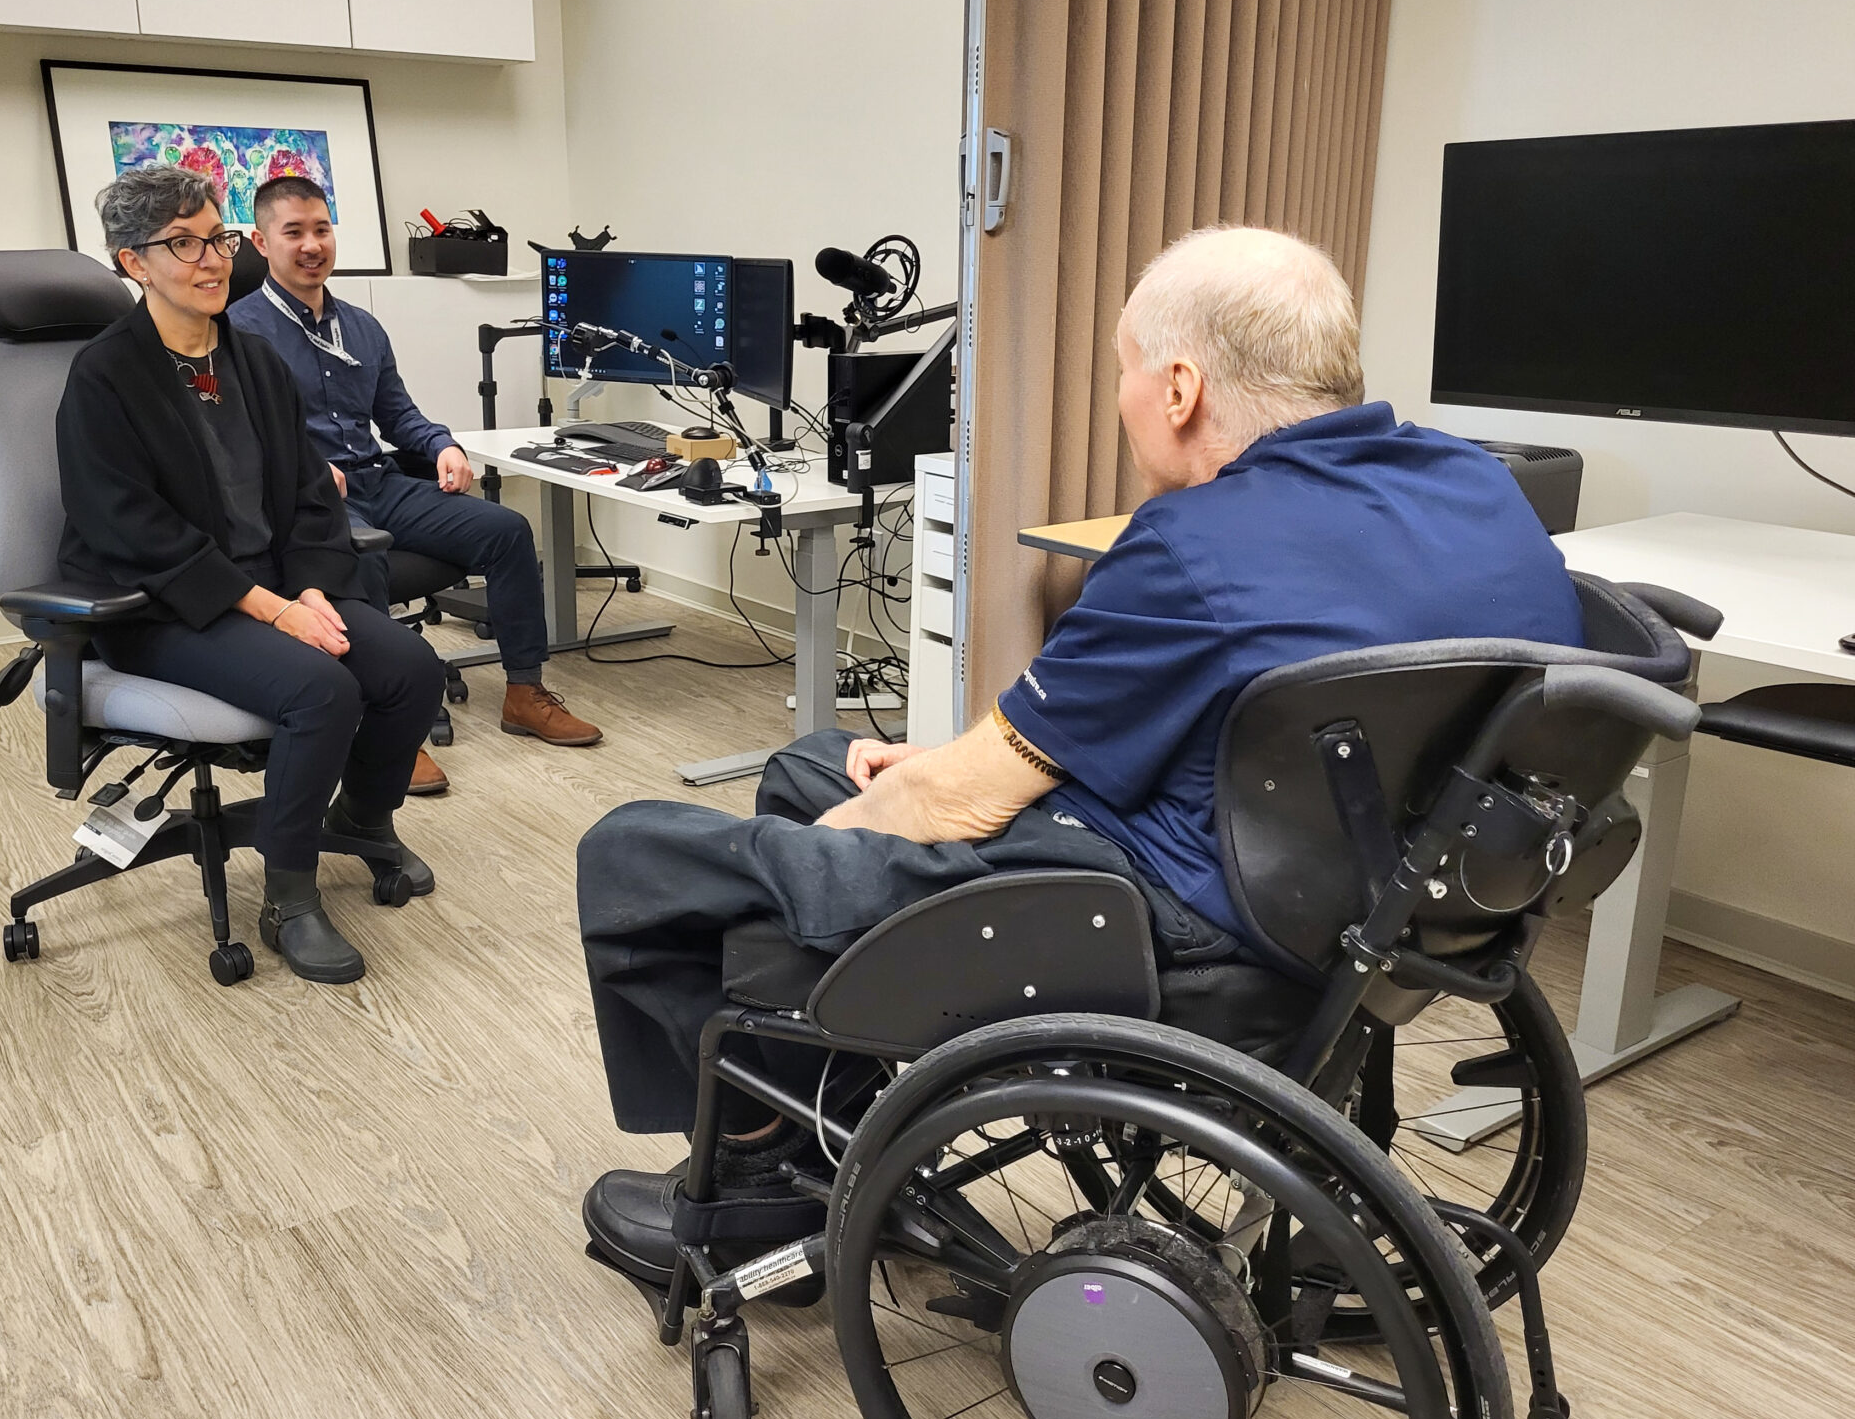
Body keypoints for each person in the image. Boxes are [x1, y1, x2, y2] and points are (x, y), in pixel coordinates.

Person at [574, 225, 1588, 1292]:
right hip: (1369, 910)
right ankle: (811, 1142)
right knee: (821, 760)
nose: (1121, 397)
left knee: (647, 854)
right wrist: (904, 784)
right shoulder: (1478, 493)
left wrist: (812, 862)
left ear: (1181, 388)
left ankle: (743, 1192)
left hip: (1172, 928)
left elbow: (961, 806)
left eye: (1122, 371)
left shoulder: (1197, 547)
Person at [56, 164, 445, 986]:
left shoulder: (254, 359)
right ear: (135, 263)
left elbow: (309, 491)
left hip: (273, 585)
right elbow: (129, 526)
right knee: (321, 689)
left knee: (410, 667)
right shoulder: (104, 375)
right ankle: (289, 897)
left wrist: (310, 587)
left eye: (218, 237)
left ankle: (366, 821)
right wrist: (272, 611)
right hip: (162, 605)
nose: (211, 259)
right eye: (184, 244)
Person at [229, 174, 603, 785]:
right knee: (359, 554)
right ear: (260, 242)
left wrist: (442, 445)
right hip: (307, 501)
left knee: (507, 530)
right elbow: (237, 438)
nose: (311, 245)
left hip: (378, 481)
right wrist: (301, 471)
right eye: (292, 232)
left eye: (321, 230)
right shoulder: (238, 332)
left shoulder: (361, 325)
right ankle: (389, 729)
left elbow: (395, 412)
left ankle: (524, 692)